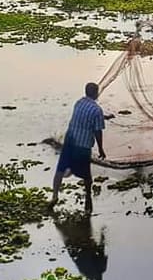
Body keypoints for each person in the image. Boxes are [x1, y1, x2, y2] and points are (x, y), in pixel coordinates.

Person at [50, 82, 106, 212]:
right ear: (96, 93)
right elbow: (98, 131)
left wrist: (105, 117)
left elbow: (85, 116)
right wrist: (101, 149)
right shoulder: (97, 110)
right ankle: (88, 198)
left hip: (69, 141)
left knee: (60, 169)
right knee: (87, 176)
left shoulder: (79, 103)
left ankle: (54, 196)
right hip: (83, 145)